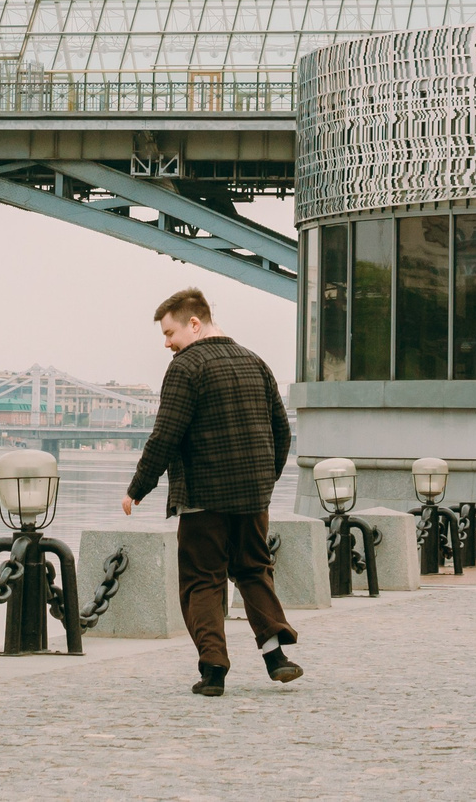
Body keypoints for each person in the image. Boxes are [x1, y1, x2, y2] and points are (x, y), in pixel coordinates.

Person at [120, 287, 302, 696]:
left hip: (203, 499)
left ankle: (213, 670)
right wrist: (263, 482)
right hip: (252, 499)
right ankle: (276, 657)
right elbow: (281, 432)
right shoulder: (255, 361)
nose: (167, 343)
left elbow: (165, 435)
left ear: (195, 323)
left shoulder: (186, 367)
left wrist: (137, 488)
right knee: (254, 571)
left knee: (202, 581)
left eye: (170, 333)